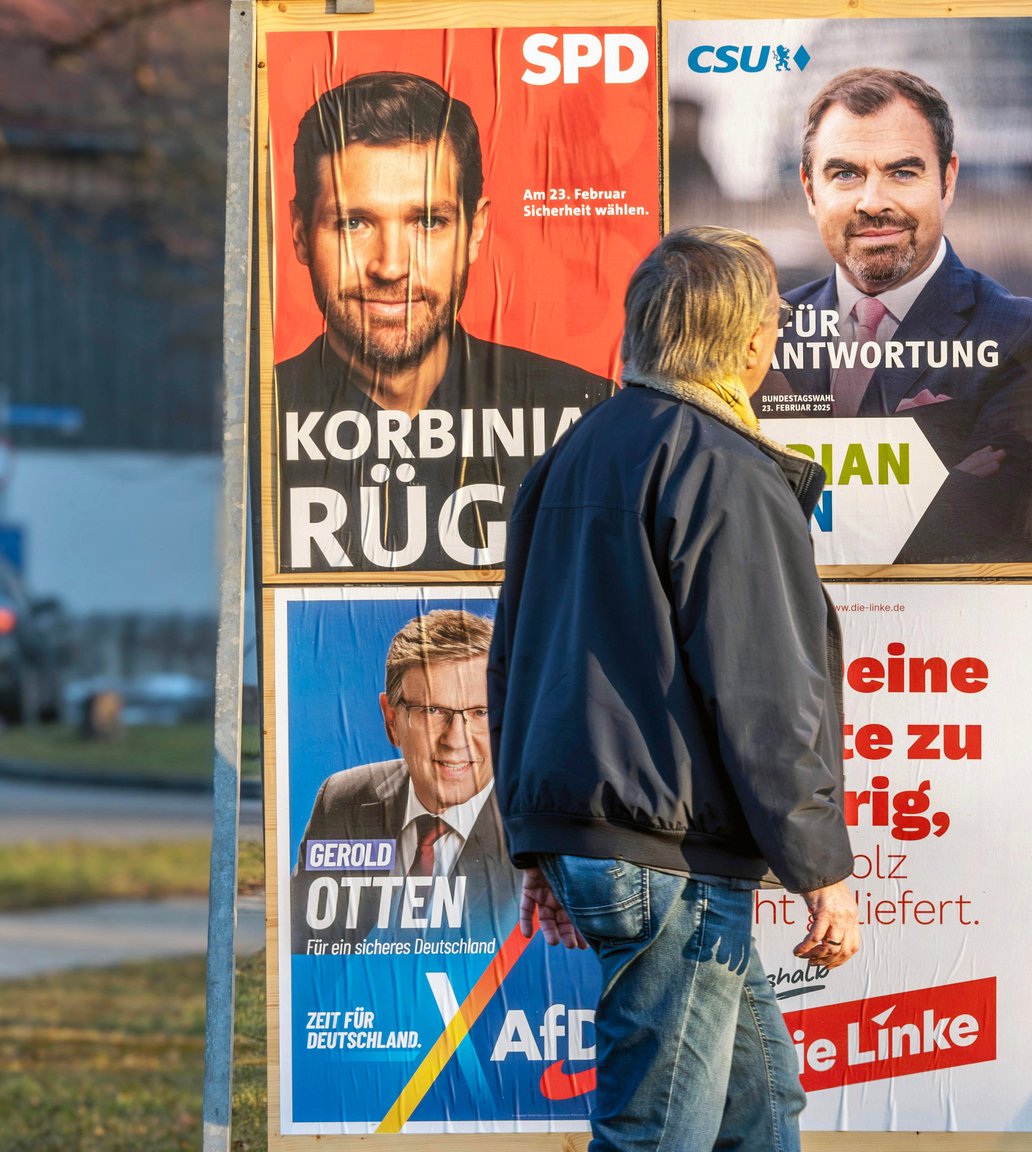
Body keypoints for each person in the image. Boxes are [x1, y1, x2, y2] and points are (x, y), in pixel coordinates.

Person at [489, 226, 858, 1152]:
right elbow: (765, 690)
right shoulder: (725, 467)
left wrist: (542, 846)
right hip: (671, 858)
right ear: (747, 345)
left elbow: (515, 662)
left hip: (615, 845)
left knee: (760, 1112)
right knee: (655, 1138)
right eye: (771, 325)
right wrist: (822, 867)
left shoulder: (572, 458)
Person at [276, 71, 613, 572]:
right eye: (354, 223)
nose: (391, 266)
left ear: (475, 231)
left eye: (428, 222)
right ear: (301, 234)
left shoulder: (591, 415)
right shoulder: (253, 428)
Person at [761, 67, 1032, 563]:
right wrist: (942, 486)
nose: (873, 202)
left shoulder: (1026, 338)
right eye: (845, 174)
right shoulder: (759, 336)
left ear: (947, 180)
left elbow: (989, 527)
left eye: (902, 171)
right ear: (810, 191)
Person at [290, 609, 514, 952]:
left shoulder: (535, 822)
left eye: (480, 712)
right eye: (432, 711)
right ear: (391, 719)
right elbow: (303, 947)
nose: (456, 740)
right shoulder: (342, 798)